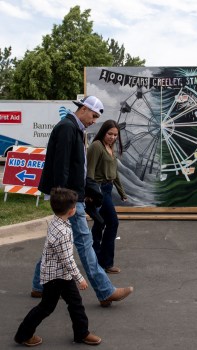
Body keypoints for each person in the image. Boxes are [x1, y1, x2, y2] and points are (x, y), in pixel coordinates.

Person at [31, 96, 133, 307]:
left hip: (72, 195)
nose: (94, 120)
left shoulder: (72, 128)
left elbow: (76, 167)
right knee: (85, 243)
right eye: (93, 115)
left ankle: (38, 286)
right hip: (69, 198)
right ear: (84, 109)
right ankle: (105, 291)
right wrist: (66, 199)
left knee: (56, 242)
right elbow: (61, 166)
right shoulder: (68, 128)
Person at [14, 188, 101, 346]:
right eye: (74, 206)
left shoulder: (57, 221)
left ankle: (82, 333)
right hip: (55, 277)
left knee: (75, 303)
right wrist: (80, 279)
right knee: (46, 307)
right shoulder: (63, 232)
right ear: (70, 210)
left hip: (61, 274)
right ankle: (23, 335)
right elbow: (67, 260)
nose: (76, 208)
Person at [87, 120, 127, 274]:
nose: (112, 137)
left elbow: (114, 173)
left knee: (100, 224)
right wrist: (91, 193)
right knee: (112, 222)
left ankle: (96, 261)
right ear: (103, 132)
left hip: (108, 188)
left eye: (115, 135)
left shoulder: (111, 148)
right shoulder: (97, 146)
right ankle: (106, 262)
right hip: (99, 190)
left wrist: (122, 192)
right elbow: (89, 171)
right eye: (110, 134)